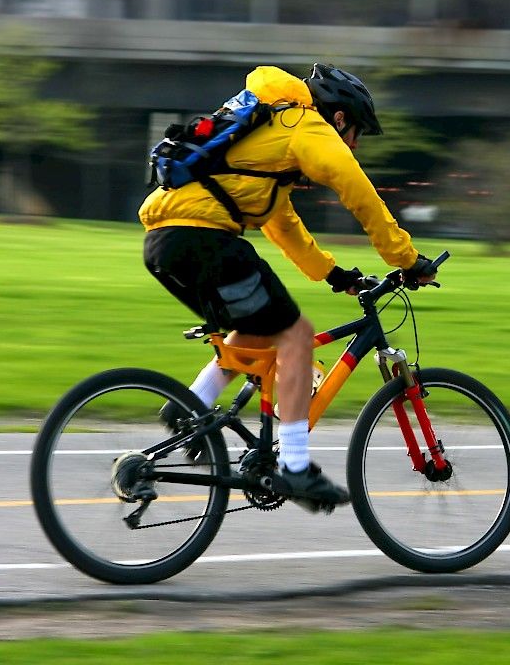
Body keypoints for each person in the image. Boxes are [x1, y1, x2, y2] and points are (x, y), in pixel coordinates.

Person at [139, 63, 436, 508]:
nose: (354, 145)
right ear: (339, 118)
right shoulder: (306, 124)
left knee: (258, 330)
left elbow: (282, 225)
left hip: (166, 242)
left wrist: (334, 274)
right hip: (203, 236)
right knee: (296, 334)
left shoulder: (272, 130)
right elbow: (357, 190)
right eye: (356, 133)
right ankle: (295, 467)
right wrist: (407, 259)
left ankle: (189, 407)